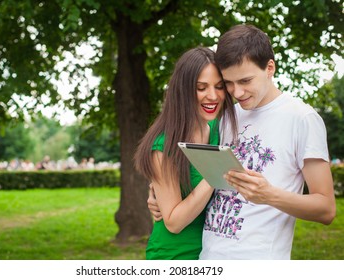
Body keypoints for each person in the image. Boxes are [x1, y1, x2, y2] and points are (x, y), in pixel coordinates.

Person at [149, 24, 336, 260]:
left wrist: (269, 195)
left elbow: (326, 209)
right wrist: (157, 193)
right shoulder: (225, 118)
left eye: (245, 80)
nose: (236, 92)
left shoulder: (302, 119)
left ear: (270, 67)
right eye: (228, 83)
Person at [134, 47, 237, 260]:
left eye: (219, 86)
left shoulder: (220, 129)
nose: (213, 96)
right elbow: (173, 222)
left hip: (216, 253)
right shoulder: (164, 145)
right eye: (201, 88)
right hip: (176, 256)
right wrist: (216, 174)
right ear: (183, 90)